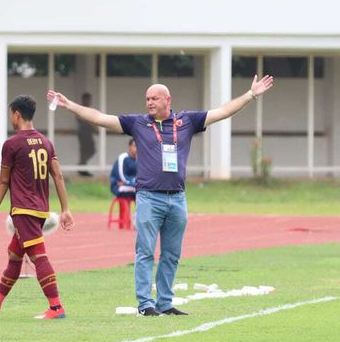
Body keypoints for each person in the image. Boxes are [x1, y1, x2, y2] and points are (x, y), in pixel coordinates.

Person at [48, 74, 274, 316]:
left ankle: (165, 303)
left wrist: (251, 95)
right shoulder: (138, 123)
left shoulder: (187, 121)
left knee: (171, 254)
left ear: (168, 100)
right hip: (149, 197)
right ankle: (145, 304)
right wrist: (70, 105)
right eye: (147, 98)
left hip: (177, 198)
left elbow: (222, 112)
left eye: (154, 98)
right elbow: (101, 119)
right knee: (145, 251)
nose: (149, 102)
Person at [0, 95, 74, 319]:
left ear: (17, 115)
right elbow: (58, 176)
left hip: (23, 211)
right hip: (40, 210)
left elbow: (3, 181)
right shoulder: (46, 142)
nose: (11, 118)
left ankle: (56, 307)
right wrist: (65, 208)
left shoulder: (12, 144)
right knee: (14, 255)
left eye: (11, 114)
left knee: (39, 257)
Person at [76, 93, 96, 176]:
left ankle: (82, 166)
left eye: (89, 99)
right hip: (83, 132)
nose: (88, 101)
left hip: (88, 132)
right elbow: (78, 117)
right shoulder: (81, 108)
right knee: (85, 150)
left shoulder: (90, 109)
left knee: (91, 150)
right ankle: (81, 167)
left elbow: (94, 119)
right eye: (87, 99)